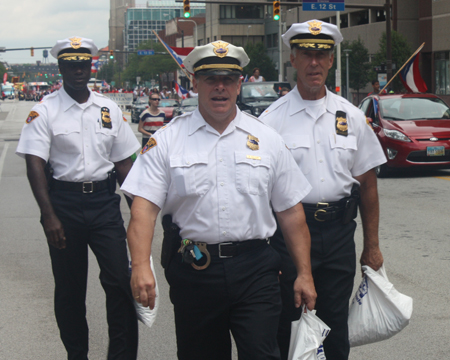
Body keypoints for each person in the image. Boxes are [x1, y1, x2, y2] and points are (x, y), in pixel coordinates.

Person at [122, 40, 317, 360]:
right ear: (195, 83)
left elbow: (291, 213)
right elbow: (143, 209)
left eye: (229, 79)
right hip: (196, 269)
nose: (220, 87)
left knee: (262, 354)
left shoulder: (266, 139)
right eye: (211, 79)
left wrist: (304, 274)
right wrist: (141, 266)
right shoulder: (168, 139)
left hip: (256, 270)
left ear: (240, 84)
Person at [259, 20, 387, 360]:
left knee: (334, 325)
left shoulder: (351, 116)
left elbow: (368, 185)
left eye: (322, 54)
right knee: (289, 322)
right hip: (288, 236)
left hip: (339, 234)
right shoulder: (271, 121)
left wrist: (371, 246)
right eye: (306, 55)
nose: (314, 63)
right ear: (293, 59)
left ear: (331, 59)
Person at [15, 36, 140, 360]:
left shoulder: (109, 109)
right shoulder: (44, 111)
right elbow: (35, 164)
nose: (78, 71)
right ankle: (77, 355)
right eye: (71, 66)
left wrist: (138, 214)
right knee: (70, 292)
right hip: (64, 206)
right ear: (60, 68)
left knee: (120, 283)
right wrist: (49, 216)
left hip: (103, 204)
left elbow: (125, 165)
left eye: (83, 65)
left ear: (91, 66)